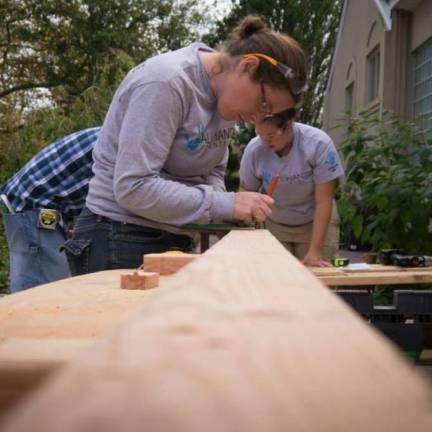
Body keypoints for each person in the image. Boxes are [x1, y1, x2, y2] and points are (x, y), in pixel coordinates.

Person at [63, 15, 308, 276]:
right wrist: (224, 203)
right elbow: (132, 187)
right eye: (264, 105)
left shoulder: (227, 105)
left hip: (171, 238)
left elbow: (211, 171)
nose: (258, 119)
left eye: (269, 115)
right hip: (117, 236)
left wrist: (225, 207)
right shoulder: (167, 82)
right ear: (247, 66)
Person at [239, 109, 344, 267]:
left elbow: (324, 201)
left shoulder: (318, 144)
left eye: (271, 135)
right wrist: (250, 219)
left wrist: (315, 251)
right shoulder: (254, 150)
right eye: (261, 135)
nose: (266, 141)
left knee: (317, 280)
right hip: (276, 221)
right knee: (276, 278)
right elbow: (246, 192)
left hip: (315, 220)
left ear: (289, 125)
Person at [0, 127, 99, 292]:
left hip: (32, 200)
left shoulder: (121, 130)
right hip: (34, 203)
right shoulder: (132, 140)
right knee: (42, 289)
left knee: (41, 282)